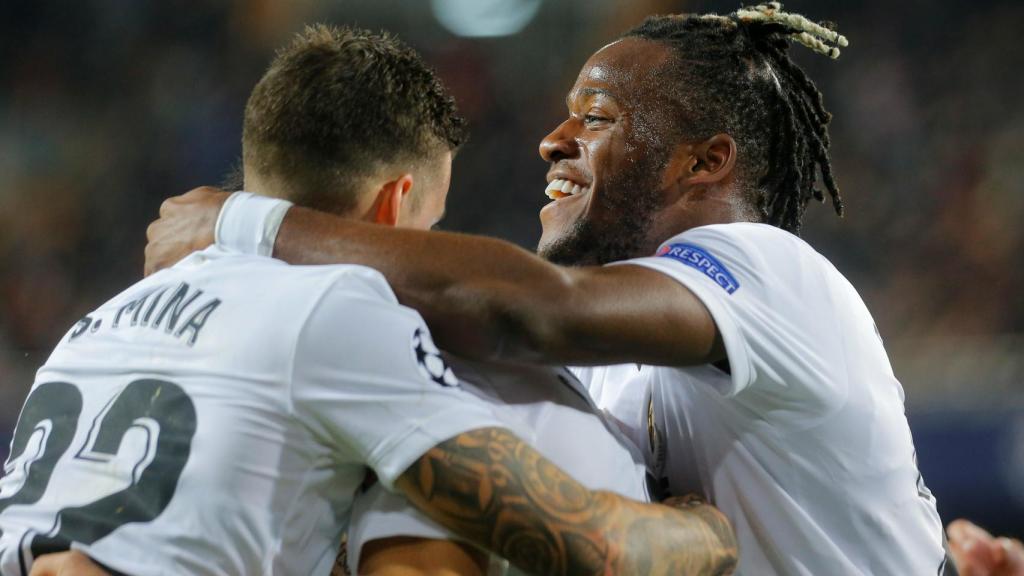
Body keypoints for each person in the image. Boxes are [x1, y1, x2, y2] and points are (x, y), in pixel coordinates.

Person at [146, 3, 956, 574]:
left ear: (705, 162)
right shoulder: (610, 362)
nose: (552, 140)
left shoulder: (772, 271)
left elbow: (529, 311)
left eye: (596, 118)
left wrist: (248, 225)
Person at [0, 24, 737, 576]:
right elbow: (593, 543)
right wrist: (704, 533)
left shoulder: (92, 328)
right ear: (396, 203)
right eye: (430, 222)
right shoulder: (338, 308)